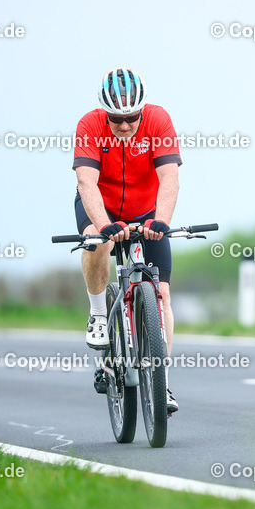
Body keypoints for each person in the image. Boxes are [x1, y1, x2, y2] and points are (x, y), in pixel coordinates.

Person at [72, 67, 182, 413]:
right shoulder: (89, 125)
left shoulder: (159, 120)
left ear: (142, 110)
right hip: (101, 207)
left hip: (147, 211)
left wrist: (162, 221)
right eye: (116, 118)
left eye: (131, 117)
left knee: (162, 294)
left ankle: (162, 383)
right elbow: (86, 183)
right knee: (97, 241)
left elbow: (169, 177)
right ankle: (98, 312)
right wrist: (104, 225)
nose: (124, 125)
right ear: (104, 112)